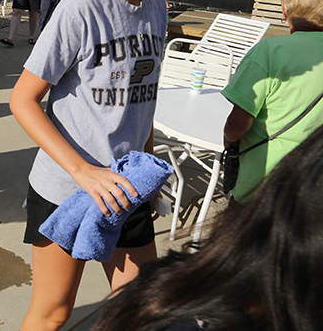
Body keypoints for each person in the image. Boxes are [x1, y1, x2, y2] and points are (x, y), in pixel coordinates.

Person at [9, 0, 195, 331]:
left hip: (126, 189)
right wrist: (83, 172)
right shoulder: (82, 6)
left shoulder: (154, 6)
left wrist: (147, 168)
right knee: (53, 313)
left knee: (144, 311)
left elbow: (140, 100)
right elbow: (23, 100)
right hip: (65, 190)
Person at [92, 123, 323, 331]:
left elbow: (146, 119)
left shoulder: (173, 296)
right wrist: (83, 172)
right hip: (101, 189)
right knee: (57, 311)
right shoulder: (180, 308)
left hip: (131, 193)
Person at [221, 0, 323, 203]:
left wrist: (230, 137)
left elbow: (239, 123)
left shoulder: (269, 51)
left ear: (284, 11)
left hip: (262, 186)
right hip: (313, 191)